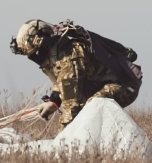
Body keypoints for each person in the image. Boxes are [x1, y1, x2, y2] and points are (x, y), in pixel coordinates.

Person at [10, 19, 143, 129]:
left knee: (92, 106)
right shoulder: (55, 54)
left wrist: (60, 143)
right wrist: (54, 102)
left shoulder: (68, 58)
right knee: (88, 108)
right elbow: (60, 83)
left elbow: (71, 109)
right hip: (99, 83)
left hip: (123, 85)